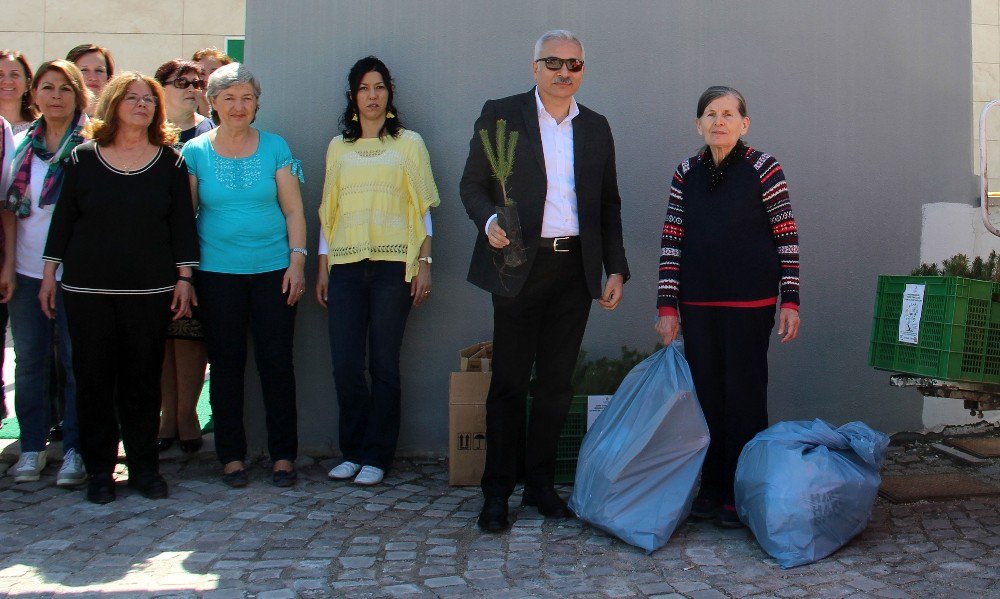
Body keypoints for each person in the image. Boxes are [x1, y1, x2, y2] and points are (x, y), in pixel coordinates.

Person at [460, 29, 629, 533]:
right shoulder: (502, 113)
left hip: (574, 269)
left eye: (574, 64)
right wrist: (490, 221)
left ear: (582, 71)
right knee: (509, 382)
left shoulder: (596, 126)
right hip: (517, 264)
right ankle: (497, 491)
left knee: (556, 384)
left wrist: (615, 267)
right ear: (535, 67)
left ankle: (538, 486)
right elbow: (473, 183)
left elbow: (609, 204)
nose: (563, 72)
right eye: (553, 62)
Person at [40, 72, 199, 504]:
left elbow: (181, 225)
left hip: (149, 293)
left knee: (142, 383)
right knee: (93, 382)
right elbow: (64, 222)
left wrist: (185, 278)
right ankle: (99, 472)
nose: (142, 104)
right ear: (113, 104)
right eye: (132, 97)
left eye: (148, 99)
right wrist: (50, 274)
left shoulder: (171, 162)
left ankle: (146, 469)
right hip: (87, 291)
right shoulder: (83, 159)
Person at [655, 86, 801, 529]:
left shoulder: (764, 168)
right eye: (710, 114)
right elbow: (672, 240)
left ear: (744, 123)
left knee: (745, 398)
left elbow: (786, 236)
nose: (719, 122)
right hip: (697, 303)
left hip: (750, 302)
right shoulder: (686, 172)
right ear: (698, 124)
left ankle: (742, 491)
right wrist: (668, 305)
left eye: (728, 114)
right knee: (707, 400)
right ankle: (712, 488)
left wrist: (790, 299)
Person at [181, 63, 306, 488]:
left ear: (257, 104)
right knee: (227, 365)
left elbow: (293, 210)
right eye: (229, 97)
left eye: (247, 97)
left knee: (277, 363)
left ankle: (283, 456)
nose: (239, 105)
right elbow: (186, 217)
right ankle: (231, 456)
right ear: (212, 103)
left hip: (275, 272)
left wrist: (298, 262)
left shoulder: (274, 147)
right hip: (217, 275)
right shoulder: (195, 152)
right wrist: (185, 273)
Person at [317, 56, 440, 487]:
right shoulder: (339, 147)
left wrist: (424, 262)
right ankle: (352, 451)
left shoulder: (409, 144)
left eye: (380, 87)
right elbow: (329, 213)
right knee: (346, 364)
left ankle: (377, 455)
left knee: (384, 363)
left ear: (390, 94)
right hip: (346, 266)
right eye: (364, 88)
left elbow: (422, 208)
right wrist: (322, 266)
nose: (372, 95)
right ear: (353, 96)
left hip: (395, 266)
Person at [0, 59, 90, 487]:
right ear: (33, 94)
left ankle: (74, 449)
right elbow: (9, 211)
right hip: (26, 269)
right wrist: (8, 267)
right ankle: (32, 447)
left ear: (78, 95)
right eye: (47, 87)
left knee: (76, 363)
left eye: (65, 89)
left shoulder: (90, 145)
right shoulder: (18, 143)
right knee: (31, 363)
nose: (56, 96)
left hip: (78, 274)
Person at [153, 59, 215, 454]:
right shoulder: (148, 132)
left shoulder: (211, 131)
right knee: (159, 336)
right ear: (161, 88)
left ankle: (188, 414)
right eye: (181, 82)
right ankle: (167, 416)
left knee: (189, 333)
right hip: (153, 248)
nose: (191, 87)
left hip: (199, 248)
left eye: (198, 82)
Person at [65, 45, 114, 117]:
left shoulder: (120, 121)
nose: (93, 78)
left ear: (108, 77)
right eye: (84, 70)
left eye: (99, 71)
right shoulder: (55, 120)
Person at [0, 50, 38, 134]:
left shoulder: (39, 129)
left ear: (27, 83)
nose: (7, 81)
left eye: (14, 75)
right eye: (0, 75)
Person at [190, 48, 232, 119]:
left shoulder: (235, 112)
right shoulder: (183, 113)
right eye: (201, 73)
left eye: (214, 72)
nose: (207, 79)